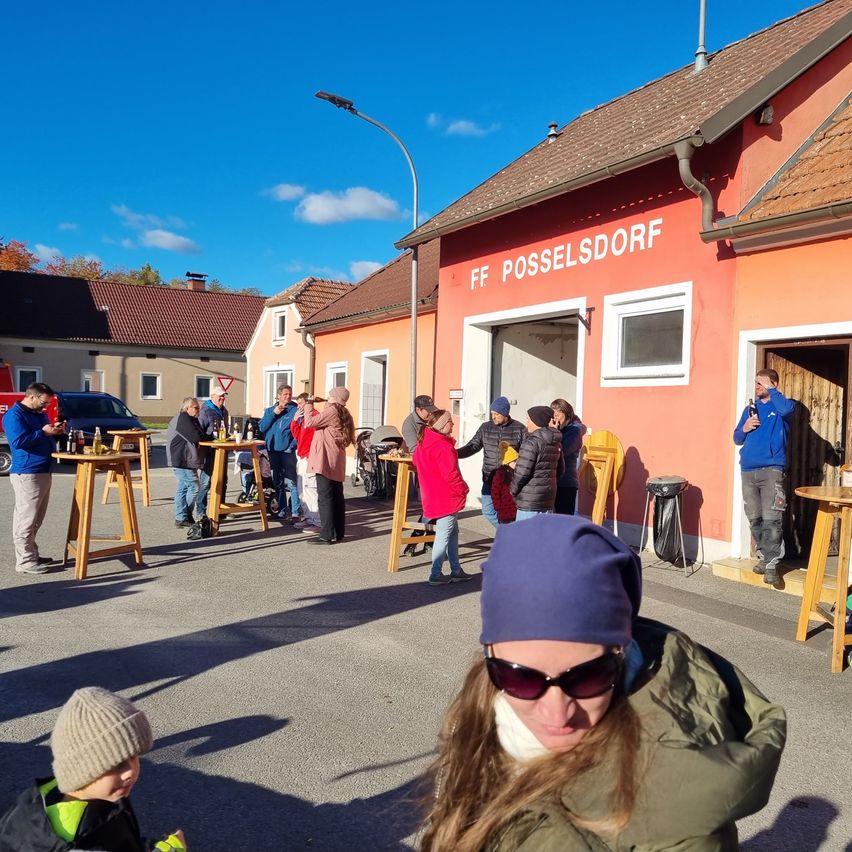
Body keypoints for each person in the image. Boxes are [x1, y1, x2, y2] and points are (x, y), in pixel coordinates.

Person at [419, 514, 787, 851]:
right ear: (489, 656)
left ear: (621, 654)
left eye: (587, 676)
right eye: (520, 677)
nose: (557, 713)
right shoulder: (480, 712)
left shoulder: (679, 810)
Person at [0, 686, 187, 852]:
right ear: (82, 768)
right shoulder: (77, 842)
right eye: (115, 764)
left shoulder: (82, 794)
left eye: (134, 756)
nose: (130, 771)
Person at [733, 369, 796, 587]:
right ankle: (764, 556)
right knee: (755, 518)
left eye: (762, 383)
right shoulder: (750, 410)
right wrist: (744, 428)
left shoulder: (782, 407)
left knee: (772, 520)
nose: (757, 386)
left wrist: (773, 392)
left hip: (771, 470)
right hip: (748, 470)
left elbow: (786, 410)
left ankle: (772, 565)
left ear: (774, 384)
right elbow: (737, 438)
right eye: (756, 383)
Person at [5, 381, 65, 575]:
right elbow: (18, 441)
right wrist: (43, 432)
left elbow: (44, 435)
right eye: (43, 402)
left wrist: (55, 431)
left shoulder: (38, 413)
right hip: (27, 472)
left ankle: (32, 554)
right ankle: (24, 561)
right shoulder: (14, 415)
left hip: (43, 470)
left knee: (36, 519)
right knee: (26, 519)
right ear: (31, 396)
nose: (46, 406)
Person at [412, 409, 473, 586]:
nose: (452, 424)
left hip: (432, 496)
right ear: (441, 425)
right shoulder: (443, 447)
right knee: (444, 535)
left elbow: (415, 461)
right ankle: (435, 573)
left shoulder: (423, 443)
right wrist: (463, 489)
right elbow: (451, 475)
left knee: (452, 533)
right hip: (446, 497)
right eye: (450, 421)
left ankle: (456, 570)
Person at [457, 396, 525, 529]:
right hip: (489, 476)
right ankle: (509, 532)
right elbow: (473, 446)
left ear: (505, 413)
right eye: (492, 413)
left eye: (497, 414)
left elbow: (526, 453)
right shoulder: (485, 427)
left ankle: (509, 534)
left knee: (509, 513)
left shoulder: (520, 429)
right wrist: (454, 453)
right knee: (488, 510)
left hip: (509, 480)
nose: (493, 417)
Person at [304, 387, 355, 544]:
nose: (327, 397)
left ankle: (326, 535)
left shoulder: (332, 411)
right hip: (336, 459)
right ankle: (338, 532)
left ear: (335, 398)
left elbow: (309, 422)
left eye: (330, 395)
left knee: (325, 497)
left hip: (325, 459)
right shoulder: (343, 413)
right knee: (337, 497)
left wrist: (309, 403)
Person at [509, 406, 564, 521]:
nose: (526, 423)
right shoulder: (556, 442)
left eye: (528, 419)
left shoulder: (531, 443)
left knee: (525, 532)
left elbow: (522, 473)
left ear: (537, 421)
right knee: (543, 532)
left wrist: (512, 491)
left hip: (529, 501)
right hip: (548, 500)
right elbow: (560, 470)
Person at [258, 384, 300, 521]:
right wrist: (274, 414)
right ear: (278, 396)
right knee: (277, 482)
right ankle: (282, 511)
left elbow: (298, 432)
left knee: (292, 482)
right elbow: (262, 427)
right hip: (273, 451)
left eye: (290, 394)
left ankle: (295, 513)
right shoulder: (270, 410)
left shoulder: (295, 411)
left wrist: (291, 447)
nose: (288, 397)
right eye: (285, 394)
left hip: (287, 451)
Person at [165, 397, 207, 527]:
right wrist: (204, 436)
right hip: (181, 458)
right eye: (196, 407)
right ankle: (185, 515)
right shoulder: (183, 419)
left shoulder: (192, 419)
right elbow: (196, 436)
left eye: (199, 407)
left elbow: (202, 434)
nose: (198, 410)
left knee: (183, 488)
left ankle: (181, 517)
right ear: (187, 408)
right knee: (194, 487)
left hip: (186, 458)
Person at [290, 392, 322, 533]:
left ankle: (317, 521)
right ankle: (309, 518)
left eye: (301, 404)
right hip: (302, 456)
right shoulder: (303, 419)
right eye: (297, 404)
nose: (299, 407)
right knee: (302, 489)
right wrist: (294, 421)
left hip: (310, 457)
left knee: (311, 489)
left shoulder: (315, 417)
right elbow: (298, 436)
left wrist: (311, 456)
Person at [196, 385, 230, 517]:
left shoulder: (224, 411)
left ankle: (221, 510)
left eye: (223, 396)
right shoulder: (205, 411)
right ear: (212, 397)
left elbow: (225, 430)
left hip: (223, 450)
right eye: (219, 396)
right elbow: (199, 432)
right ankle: (201, 512)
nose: (222, 398)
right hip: (209, 452)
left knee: (222, 480)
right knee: (205, 482)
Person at [551, 398, 586, 515]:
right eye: (552, 415)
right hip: (554, 481)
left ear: (566, 414)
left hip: (566, 483)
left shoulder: (574, 431)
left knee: (564, 519)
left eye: (557, 415)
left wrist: (553, 433)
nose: (554, 418)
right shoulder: (559, 429)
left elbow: (563, 450)